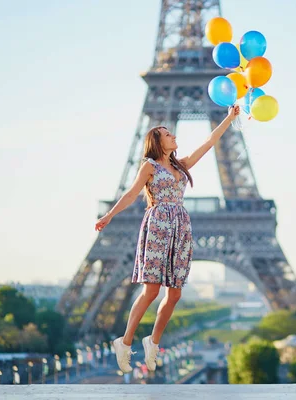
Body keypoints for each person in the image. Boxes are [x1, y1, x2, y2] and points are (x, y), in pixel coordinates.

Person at [94, 104, 241, 374]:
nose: (173, 135)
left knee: (174, 294)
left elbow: (209, 142)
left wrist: (229, 118)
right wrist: (110, 215)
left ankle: (153, 342)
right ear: (157, 141)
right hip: (158, 226)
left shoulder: (181, 165)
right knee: (151, 290)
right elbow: (131, 194)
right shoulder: (149, 167)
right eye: (167, 133)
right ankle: (124, 343)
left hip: (180, 228)